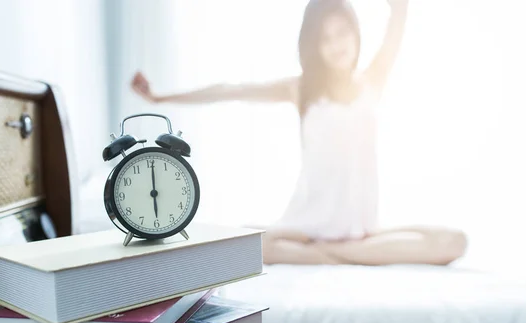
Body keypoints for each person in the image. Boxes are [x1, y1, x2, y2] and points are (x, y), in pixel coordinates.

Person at [130, 0, 467, 266]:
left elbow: (397, 23)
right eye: (326, 37)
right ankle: (341, 257)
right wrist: (162, 97)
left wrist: (399, 8)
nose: (337, 45)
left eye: (342, 33)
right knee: (245, 242)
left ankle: (331, 257)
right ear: (313, 44)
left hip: (363, 232)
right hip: (307, 228)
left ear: (356, 34)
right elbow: (231, 90)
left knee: (454, 241)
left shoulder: (371, 83)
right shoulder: (301, 90)